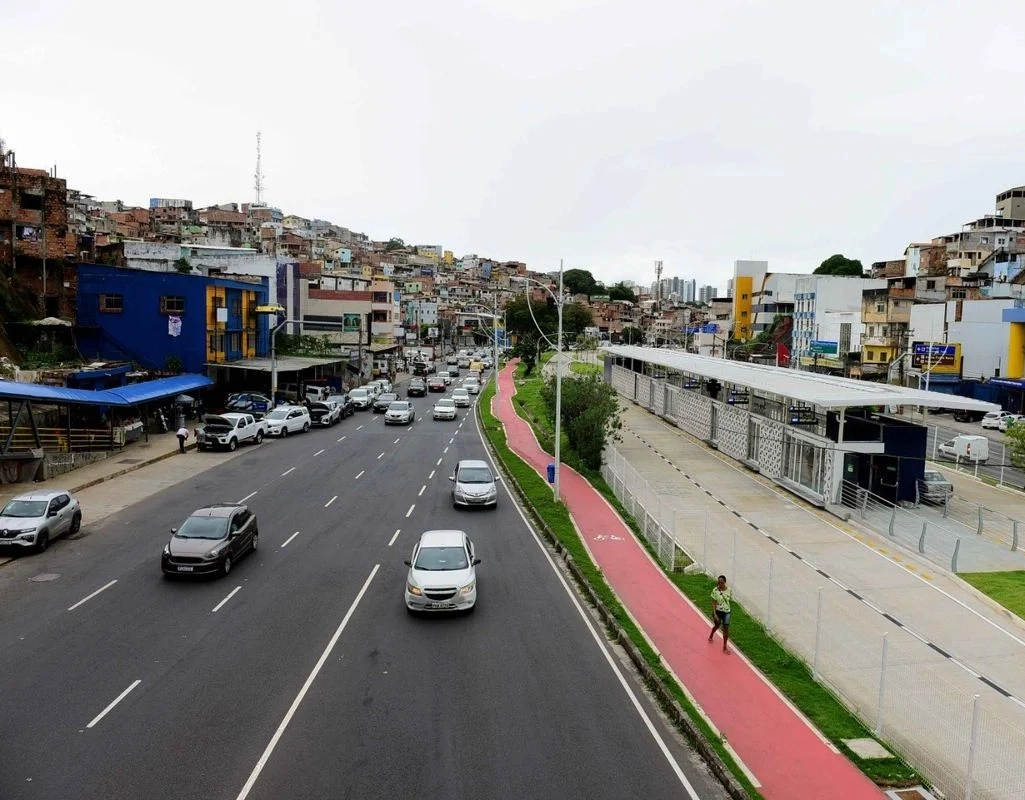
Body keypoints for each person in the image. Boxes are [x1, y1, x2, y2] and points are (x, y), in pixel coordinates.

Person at [708, 574, 733, 654]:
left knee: (726, 628)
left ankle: (725, 646)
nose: (720, 584)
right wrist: (715, 614)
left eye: (722, 582)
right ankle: (712, 633)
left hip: (727, 612)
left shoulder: (729, 590)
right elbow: (714, 603)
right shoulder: (715, 590)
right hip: (718, 612)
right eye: (718, 582)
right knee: (717, 625)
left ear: (725, 582)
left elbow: (728, 599)